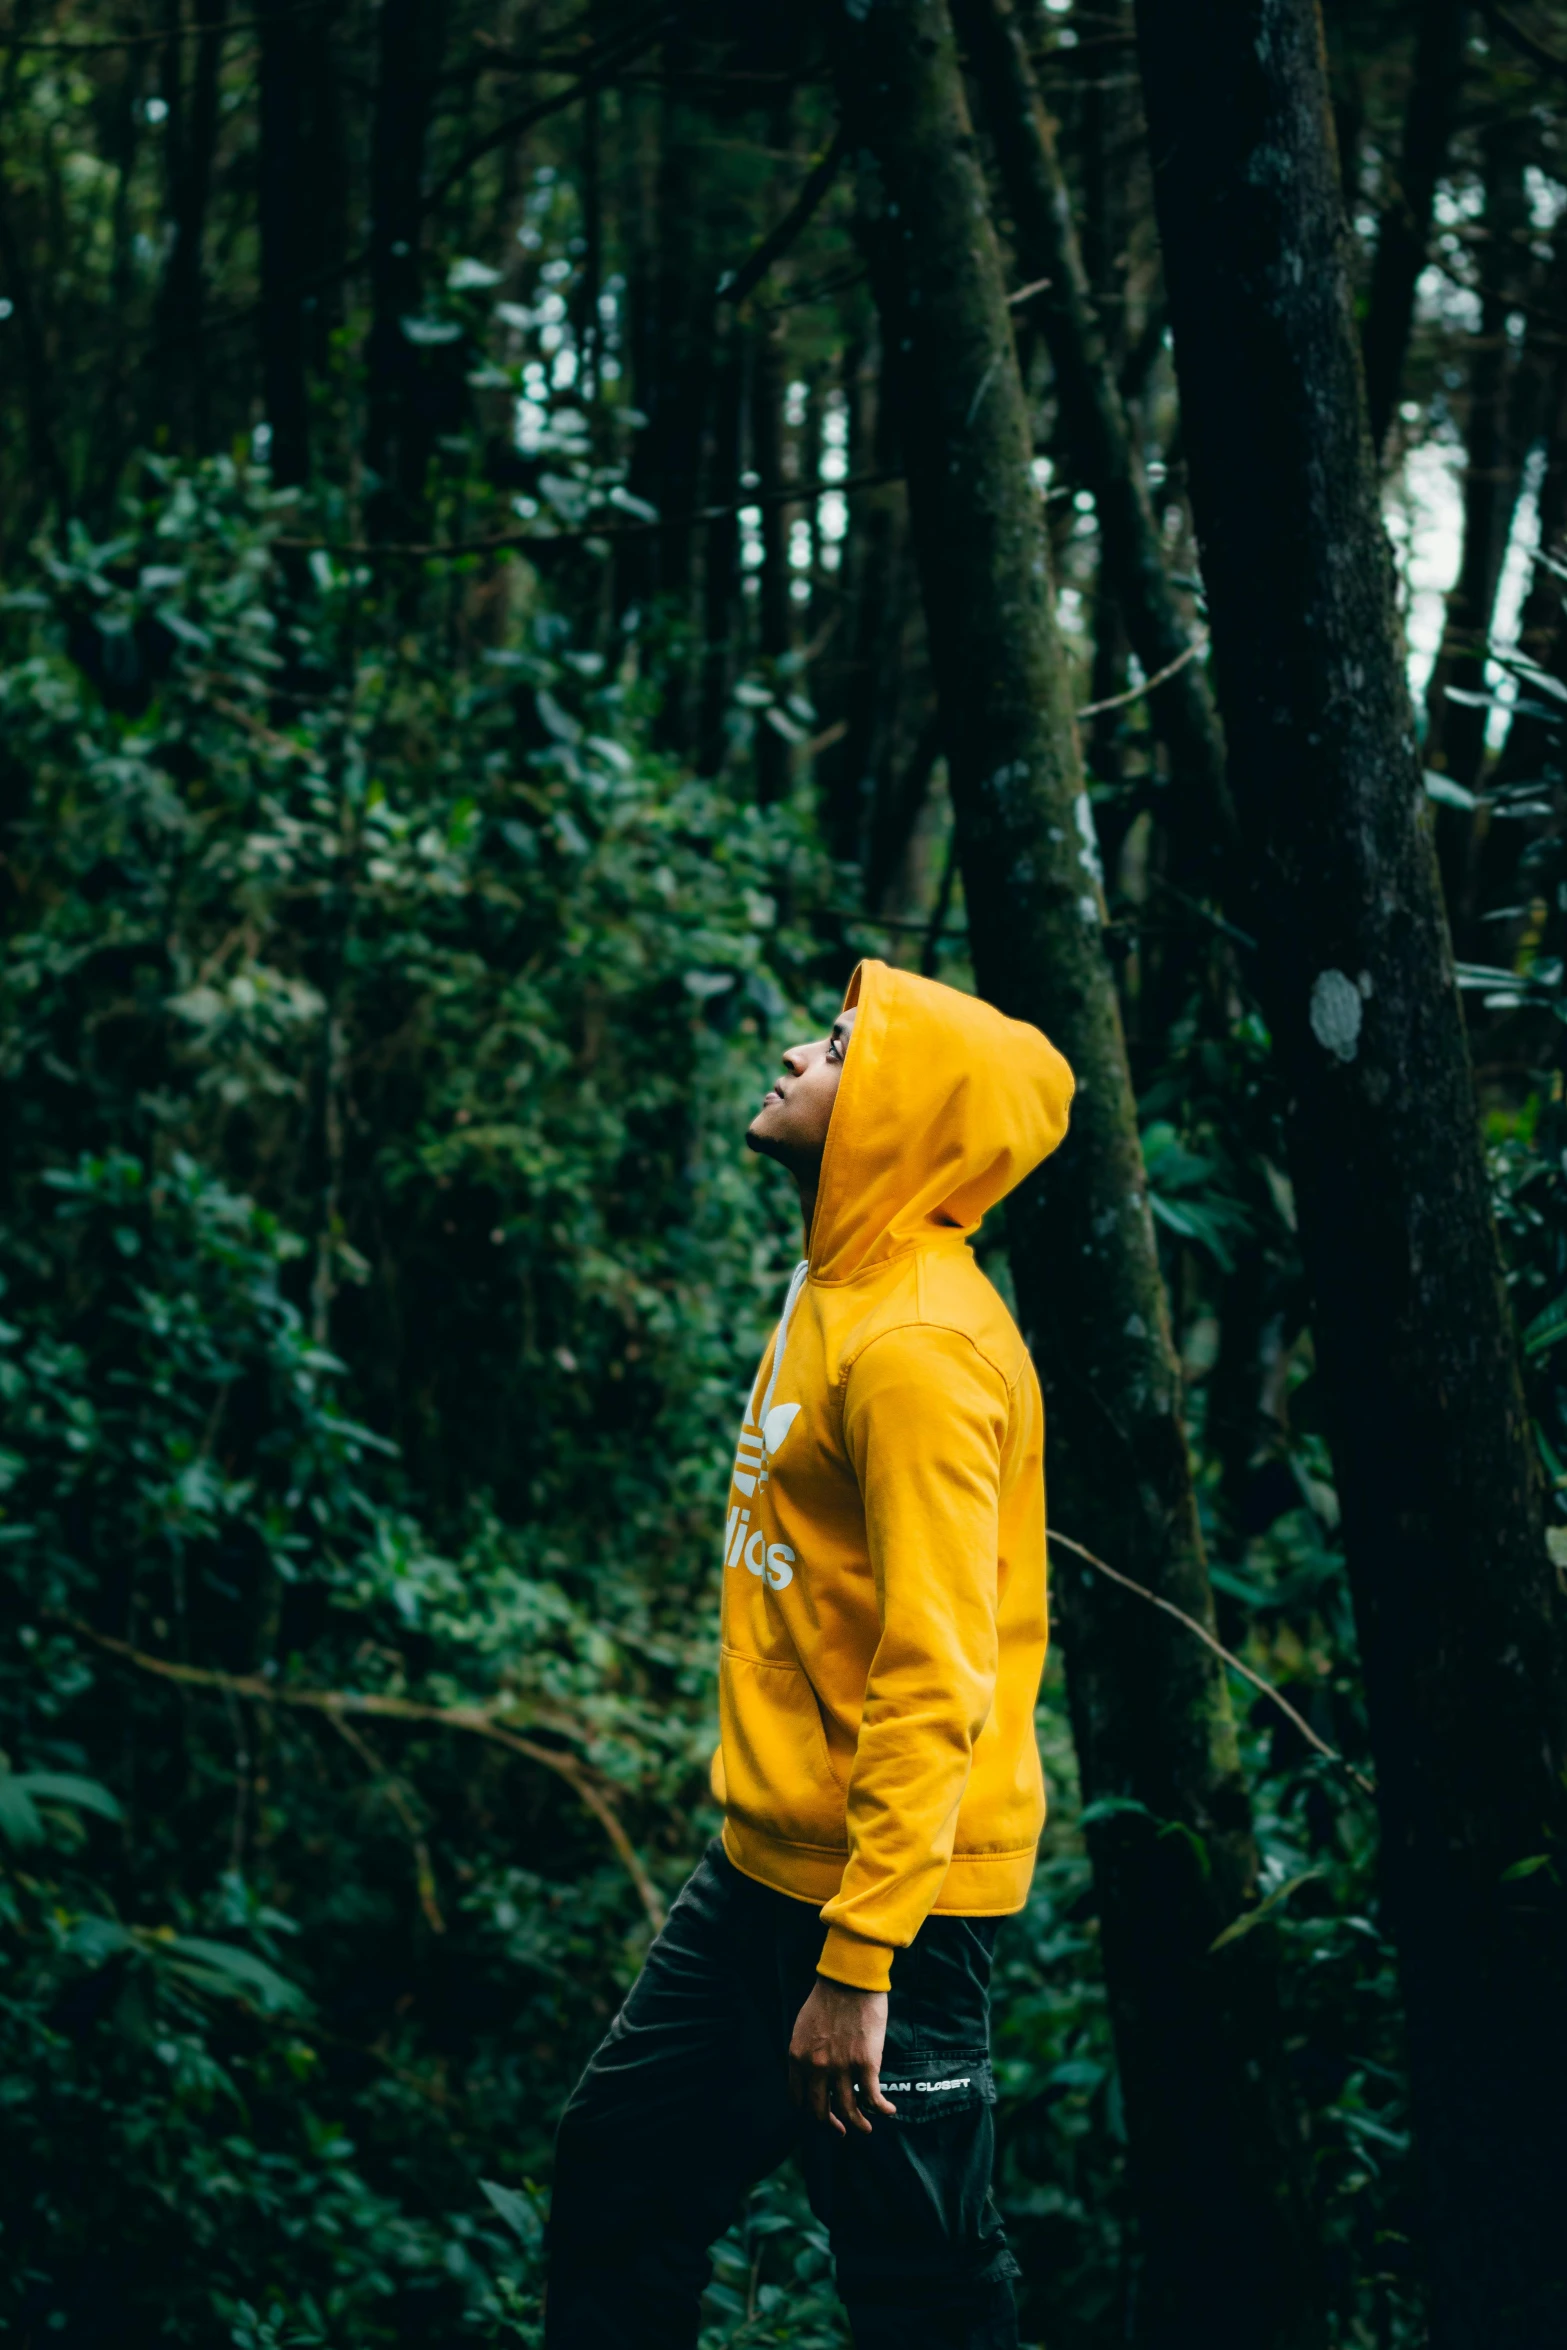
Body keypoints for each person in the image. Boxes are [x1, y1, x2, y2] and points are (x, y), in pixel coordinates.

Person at [544, 957, 1075, 2349]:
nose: (793, 1054)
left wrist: (858, 1963)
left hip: (888, 1905)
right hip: (761, 1874)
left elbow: (933, 1669)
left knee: (922, 2290)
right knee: (615, 2180)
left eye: (838, 1048)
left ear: (903, 1113)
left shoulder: (917, 1349)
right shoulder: (837, 1283)